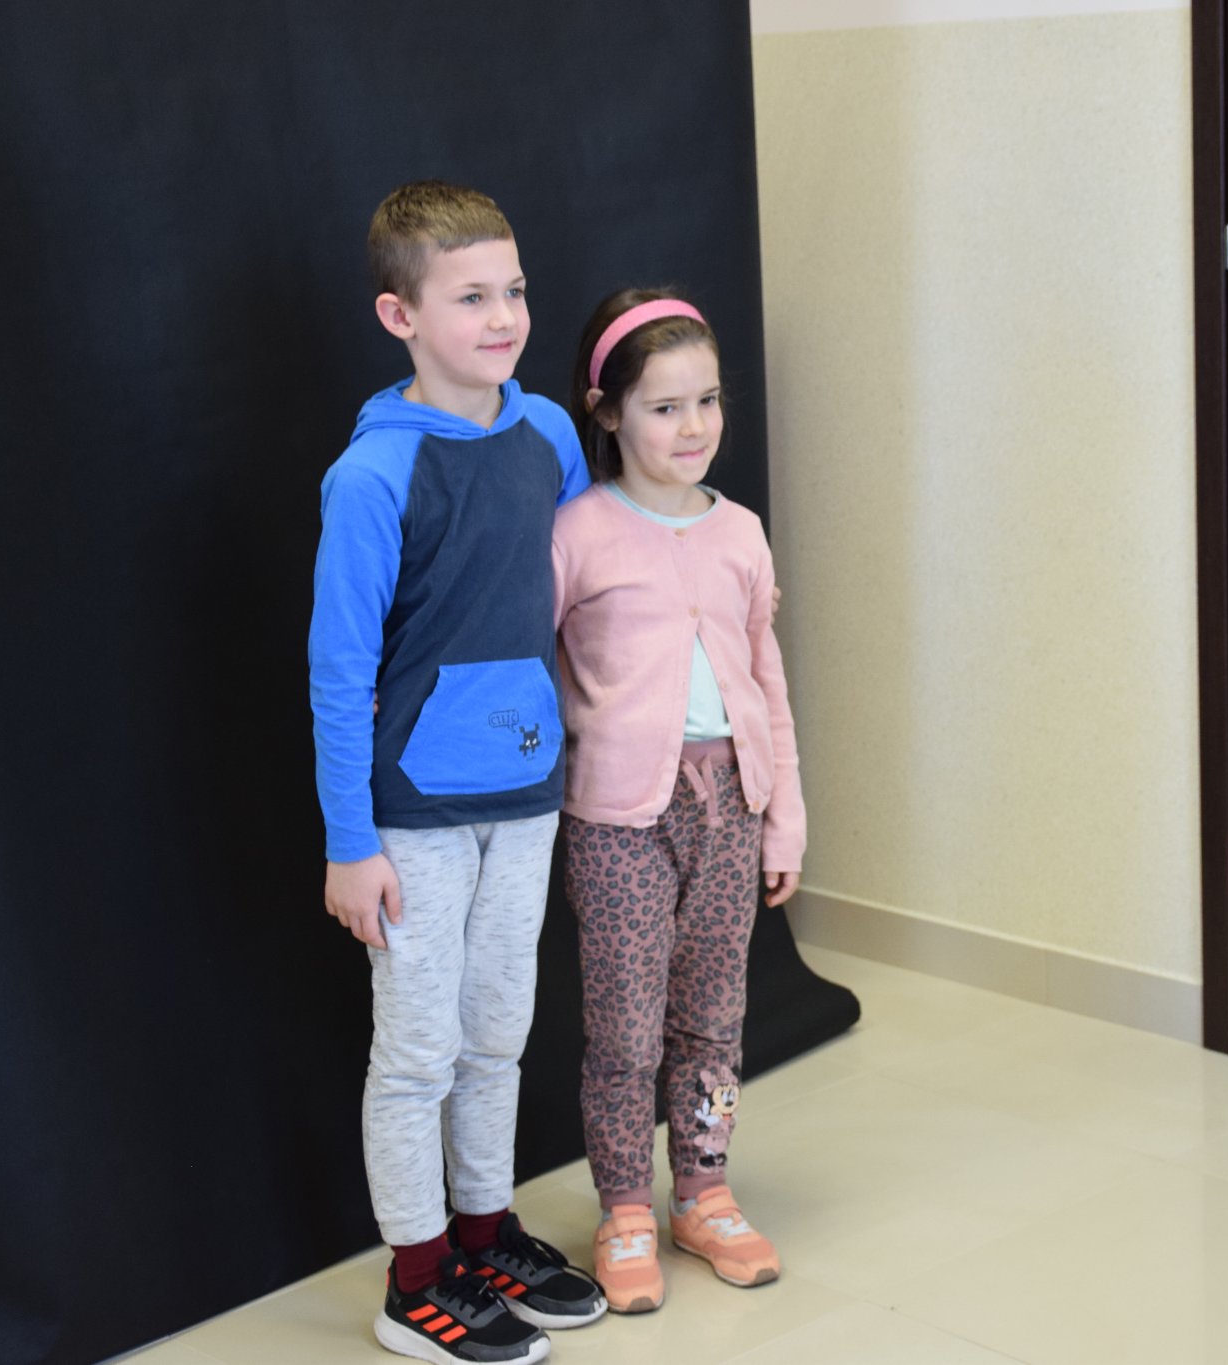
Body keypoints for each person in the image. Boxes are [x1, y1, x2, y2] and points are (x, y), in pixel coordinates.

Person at [310, 180, 604, 1363]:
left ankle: (483, 1235)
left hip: (525, 796)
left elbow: (587, 583)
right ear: (401, 316)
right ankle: (416, 1279)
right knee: (418, 1053)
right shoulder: (372, 476)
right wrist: (350, 843)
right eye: (470, 297)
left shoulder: (548, 436)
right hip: (415, 817)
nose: (503, 317)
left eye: (513, 290)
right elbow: (339, 674)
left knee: (496, 1034)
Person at [551, 288, 804, 1314]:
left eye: (707, 400)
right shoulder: (577, 532)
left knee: (713, 1017)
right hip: (618, 820)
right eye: (664, 407)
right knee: (624, 1028)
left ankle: (701, 1189)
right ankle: (623, 1206)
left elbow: (767, 679)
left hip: (731, 807)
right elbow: (529, 662)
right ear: (608, 411)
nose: (693, 426)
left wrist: (784, 817)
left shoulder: (740, 533)